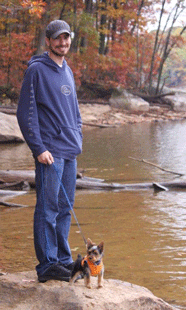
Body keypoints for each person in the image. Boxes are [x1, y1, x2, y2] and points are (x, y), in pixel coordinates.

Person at [17, 20, 83, 283]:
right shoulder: (36, 70)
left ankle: (63, 260)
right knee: (48, 208)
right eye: (58, 39)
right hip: (50, 152)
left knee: (65, 208)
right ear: (48, 41)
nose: (62, 43)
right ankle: (47, 265)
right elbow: (26, 113)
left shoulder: (67, 70)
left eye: (66, 38)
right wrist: (38, 148)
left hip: (70, 150)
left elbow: (75, 112)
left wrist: (78, 135)